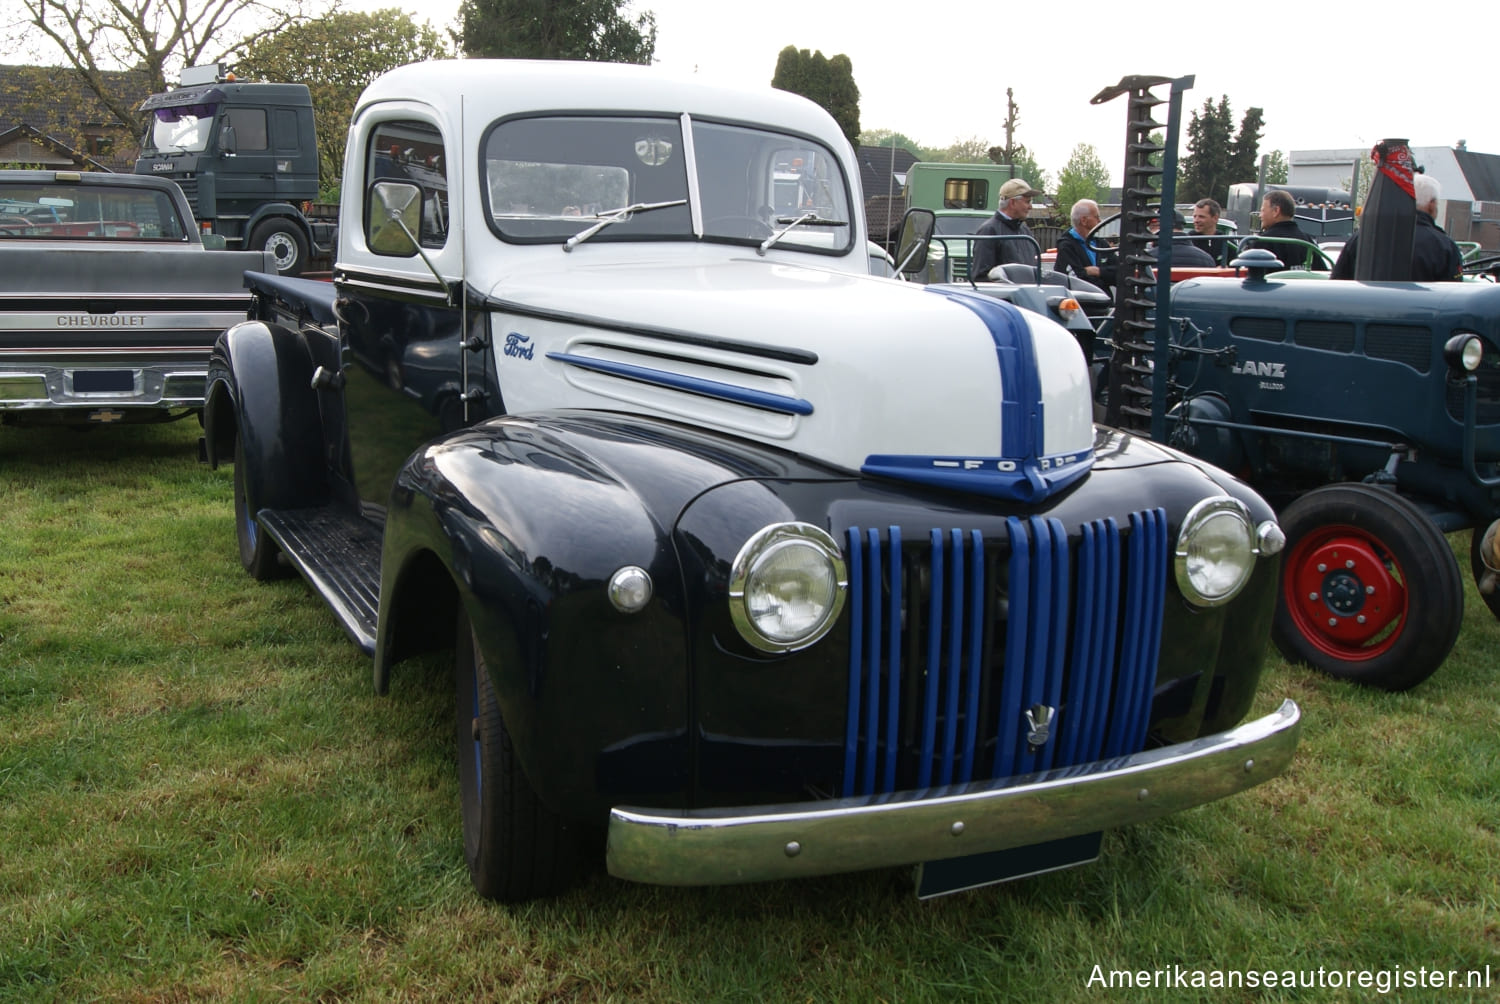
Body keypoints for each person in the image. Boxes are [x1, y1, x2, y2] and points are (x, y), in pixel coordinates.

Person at [1330, 172, 1463, 282]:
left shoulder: (1361, 237)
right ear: (1432, 204)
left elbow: (1338, 283)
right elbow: (1453, 293)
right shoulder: (1444, 246)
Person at [971, 177, 1044, 280]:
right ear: (1013, 203)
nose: (1030, 207)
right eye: (1027, 202)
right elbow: (981, 277)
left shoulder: (1025, 231)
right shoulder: (989, 231)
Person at [1242, 190, 1320, 270]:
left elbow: (1249, 275)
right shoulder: (1308, 242)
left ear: (1276, 211)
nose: (1260, 216)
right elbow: (1322, 274)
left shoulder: (1262, 242)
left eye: (1262, 210)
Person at [1051, 198, 1115, 288]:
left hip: (1105, 300)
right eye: (1096, 217)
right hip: (1080, 301)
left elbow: (1120, 274)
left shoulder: (1101, 245)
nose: (1100, 221)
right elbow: (1076, 279)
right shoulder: (1066, 246)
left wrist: (1097, 271)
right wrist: (1105, 276)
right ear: (1084, 220)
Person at [1191, 198, 1230, 262]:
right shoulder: (1187, 241)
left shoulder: (1226, 242)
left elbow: (1236, 266)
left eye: (1201, 217)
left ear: (1215, 218)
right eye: (1194, 216)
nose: (1196, 220)